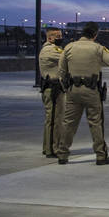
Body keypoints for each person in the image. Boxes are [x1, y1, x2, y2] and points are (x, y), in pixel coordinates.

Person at [56, 22, 109, 165]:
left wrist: (66, 87)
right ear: (95, 34)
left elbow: (61, 71)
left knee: (68, 123)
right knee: (95, 123)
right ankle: (101, 155)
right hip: (91, 90)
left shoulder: (69, 47)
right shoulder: (98, 48)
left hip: (73, 91)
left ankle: (62, 154)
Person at [38, 27, 65, 159]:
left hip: (55, 88)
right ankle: (52, 149)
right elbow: (67, 57)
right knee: (54, 120)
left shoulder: (52, 49)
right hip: (53, 89)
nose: (60, 38)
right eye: (57, 36)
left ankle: (48, 147)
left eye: (60, 35)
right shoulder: (50, 50)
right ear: (49, 38)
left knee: (53, 119)